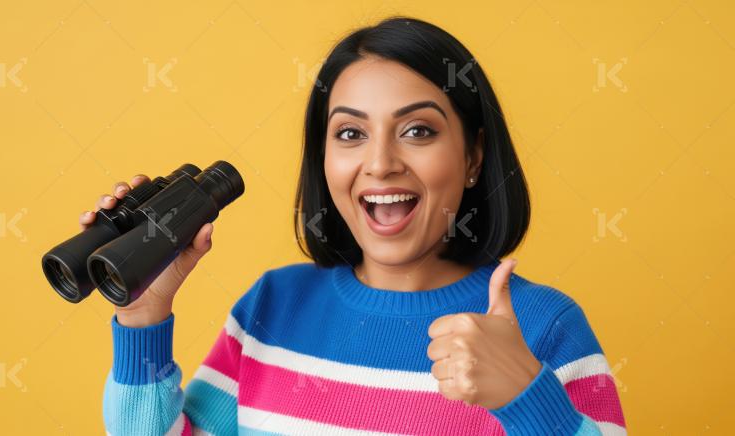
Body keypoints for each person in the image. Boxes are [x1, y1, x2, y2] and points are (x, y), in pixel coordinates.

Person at [89, 16, 626, 436]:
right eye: (350, 134)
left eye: (417, 130)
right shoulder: (273, 307)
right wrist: (143, 317)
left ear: (473, 159)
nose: (380, 162)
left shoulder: (544, 328)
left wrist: (527, 395)